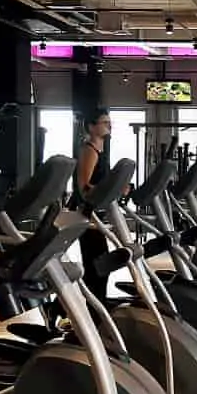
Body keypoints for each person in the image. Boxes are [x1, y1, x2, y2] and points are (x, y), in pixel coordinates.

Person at [73, 108, 112, 304]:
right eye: (104, 122)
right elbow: (84, 186)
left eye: (109, 122)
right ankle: (91, 308)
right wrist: (111, 189)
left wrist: (116, 188)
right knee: (97, 266)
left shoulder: (100, 150)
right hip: (87, 215)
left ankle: (97, 306)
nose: (109, 125)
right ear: (91, 127)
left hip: (96, 214)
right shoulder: (89, 150)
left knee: (99, 265)